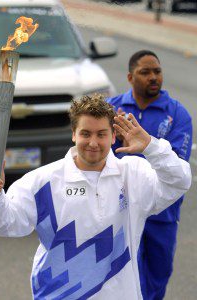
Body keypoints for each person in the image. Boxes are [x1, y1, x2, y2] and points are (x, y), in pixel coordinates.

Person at [0, 94, 191, 300]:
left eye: (101, 134)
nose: (93, 143)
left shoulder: (133, 174)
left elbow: (179, 182)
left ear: (113, 136)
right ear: (73, 134)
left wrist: (152, 148)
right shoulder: (43, 181)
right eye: (86, 133)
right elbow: (3, 223)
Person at [107, 50, 193, 300]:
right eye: (145, 72)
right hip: (119, 210)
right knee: (117, 275)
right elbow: (98, 157)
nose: (153, 77)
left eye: (157, 71)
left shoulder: (177, 114)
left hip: (161, 214)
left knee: (157, 277)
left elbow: (177, 168)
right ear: (130, 77)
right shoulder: (112, 110)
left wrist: (147, 144)